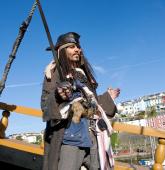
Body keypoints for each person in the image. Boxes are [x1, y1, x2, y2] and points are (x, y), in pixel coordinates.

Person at [41, 32, 120, 170]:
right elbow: (45, 104)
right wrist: (59, 95)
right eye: (72, 47)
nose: (77, 49)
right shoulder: (54, 72)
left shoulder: (81, 74)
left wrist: (109, 97)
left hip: (92, 136)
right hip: (70, 138)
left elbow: (92, 103)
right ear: (62, 51)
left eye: (78, 46)